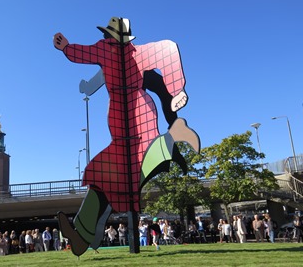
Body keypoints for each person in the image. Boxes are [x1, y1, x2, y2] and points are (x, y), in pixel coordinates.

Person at [54, 17, 200, 256]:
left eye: (110, 36)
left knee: (129, 169)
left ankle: (172, 138)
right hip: (119, 123)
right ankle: (80, 237)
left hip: (139, 118)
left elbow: (168, 49)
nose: (106, 40)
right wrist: (66, 48)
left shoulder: (137, 53)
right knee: (102, 174)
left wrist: (177, 89)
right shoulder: (105, 50)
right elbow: (84, 53)